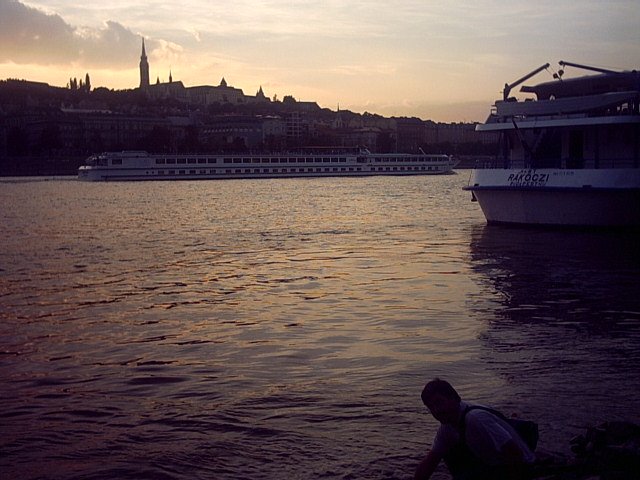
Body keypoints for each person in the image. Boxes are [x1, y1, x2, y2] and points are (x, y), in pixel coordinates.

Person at [415, 378, 535, 480]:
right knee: (447, 451)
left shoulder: (475, 418)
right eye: (431, 407)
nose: (436, 410)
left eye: (439, 403)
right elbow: (431, 461)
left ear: (454, 398)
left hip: (520, 465)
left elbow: (514, 452)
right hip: (493, 463)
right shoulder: (448, 425)